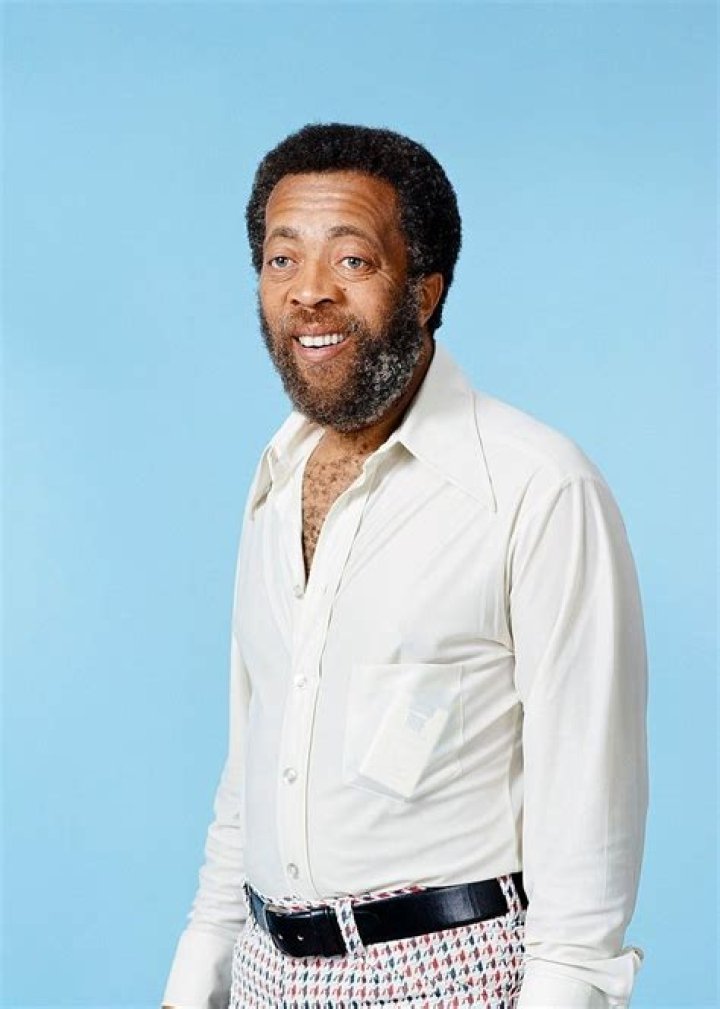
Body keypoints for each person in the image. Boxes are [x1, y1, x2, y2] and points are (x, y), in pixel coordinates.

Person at [162, 123, 648, 1009]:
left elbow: (589, 811)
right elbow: (253, 762)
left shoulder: (537, 488)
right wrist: (199, 973)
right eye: (281, 259)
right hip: (268, 968)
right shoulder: (275, 479)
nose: (309, 290)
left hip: (451, 975)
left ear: (425, 291)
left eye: (351, 260)